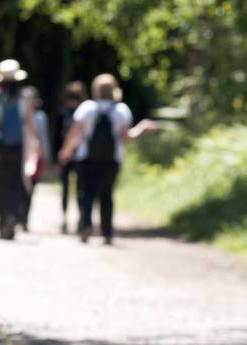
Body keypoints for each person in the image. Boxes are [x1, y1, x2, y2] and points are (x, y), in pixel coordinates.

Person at [58, 74, 156, 245]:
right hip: (112, 159)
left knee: (86, 193)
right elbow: (126, 138)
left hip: (86, 158)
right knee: (106, 195)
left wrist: (65, 151)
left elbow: (74, 133)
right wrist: (141, 127)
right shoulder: (121, 110)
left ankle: (86, 226)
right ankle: (107, 232)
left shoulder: (87, 108)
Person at [0, 59, 40, 239]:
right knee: (16, 184)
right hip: (19, 147)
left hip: (0, 146)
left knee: (1, 185)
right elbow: (30, 124)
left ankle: (3, 220)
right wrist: (35, 145)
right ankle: (13, 217)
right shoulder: (25, 98)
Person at [53, 81, 88, 233]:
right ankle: (80, 219)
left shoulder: (63, 112)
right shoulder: (85, 112)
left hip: (65, 155)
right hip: (81, 155)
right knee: (81, 189)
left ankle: (66, 218)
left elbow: (56, 137)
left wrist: (56, 157)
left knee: (66, 189)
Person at [20, 86, 50, 231]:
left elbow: (43, 139)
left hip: (35, 157)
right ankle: (20, 217)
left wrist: (45, 157)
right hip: (20, 157)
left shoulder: (40, 117)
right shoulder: (18, 116)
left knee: (30, 189)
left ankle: (25, 218)